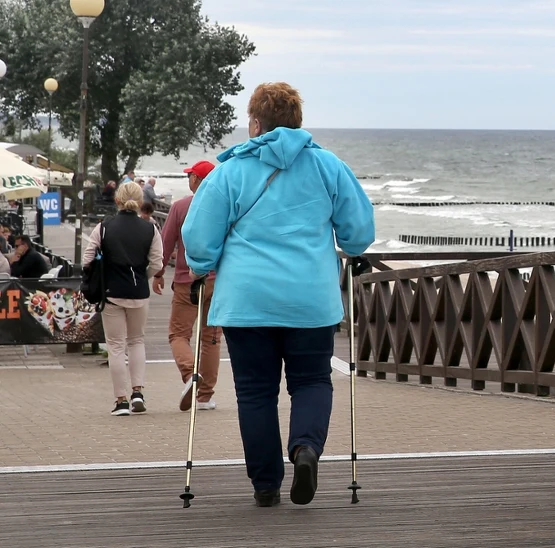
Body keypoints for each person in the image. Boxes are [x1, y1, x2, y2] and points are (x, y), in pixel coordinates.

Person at [182, 82, 375, 507]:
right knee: (311, 381)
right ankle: (305, 448)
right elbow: (359, 234)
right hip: (311, 301)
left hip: (247, 302)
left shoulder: (229, 172)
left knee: (255, 391)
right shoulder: (328, 166)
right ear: (297, 121)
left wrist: (200, 266)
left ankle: (266, 484)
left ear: (255, 123)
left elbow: (199, 240)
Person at [82, 182, 163, 416]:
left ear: (117, 201)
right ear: (140, 202)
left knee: (116, 346)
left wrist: (98, 274)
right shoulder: (150, 229)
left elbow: (88, 259)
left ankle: (121, 401)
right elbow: (157, 262)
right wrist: (143, 276)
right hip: (139, 293)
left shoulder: (104, 227)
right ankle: (138, 392)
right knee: (136, 341)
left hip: (112, 292)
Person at [153, 160, 222, 412]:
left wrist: (159, 272)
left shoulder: (181, 207)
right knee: (211, 338)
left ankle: (190, 373)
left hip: (187, 280)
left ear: (196, 179)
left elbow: (166, 242)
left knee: (179, 334)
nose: (188, 179)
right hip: (217, 280)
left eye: (190, 175)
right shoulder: (224, 208)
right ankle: (205, 397)